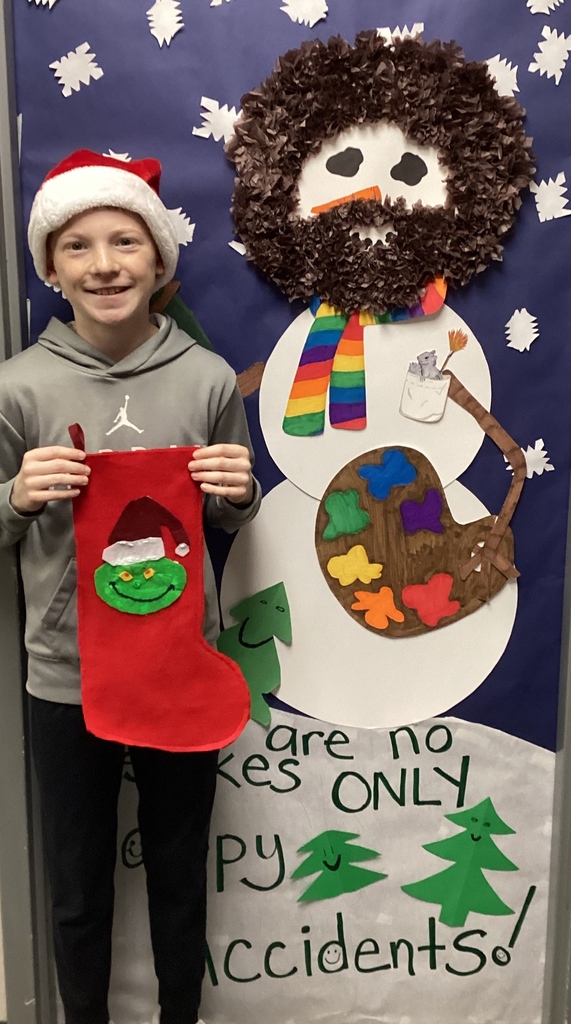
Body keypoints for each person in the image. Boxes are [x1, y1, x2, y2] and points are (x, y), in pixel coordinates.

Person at [0, 149, 262, 1024]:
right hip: (65, 677)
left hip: (177, 668)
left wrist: (239, 490)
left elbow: (225, 521)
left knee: (180, 880)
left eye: (124, 241)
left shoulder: (209, 379)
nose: (104, 264)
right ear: (50, 266)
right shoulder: (17, 388)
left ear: (159, 262)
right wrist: (16, 496)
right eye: (77, 245)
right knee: (76, 890)